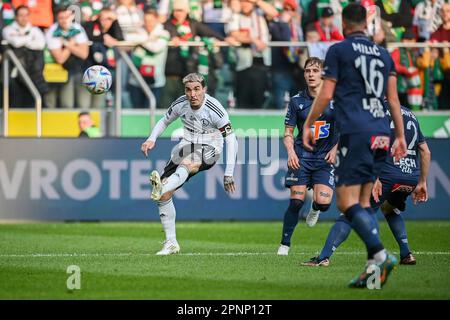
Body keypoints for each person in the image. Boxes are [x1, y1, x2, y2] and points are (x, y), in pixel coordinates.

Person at [302, 4, 407, 288]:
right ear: (367, 23)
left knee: (346, 203)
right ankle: (373, 278)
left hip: (357, 132)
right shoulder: (384, 54)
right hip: (382, 131)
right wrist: (400, 135)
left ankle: (381, 253)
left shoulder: (339, 50)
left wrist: (308, 122)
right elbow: (393, 101)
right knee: (363, 204)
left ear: (345, 23)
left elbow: (326, 93)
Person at [302, 104, 431, 267]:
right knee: (389, 208)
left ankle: (323, 257)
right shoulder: (409, 114)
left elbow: (373, 144)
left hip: (386, 173)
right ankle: (406, 253)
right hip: (410, 176)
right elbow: (425, 151)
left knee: (350, 211)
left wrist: (375, 177)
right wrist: (422, 181)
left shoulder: (376, 112)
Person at [140, 73, 238, 255]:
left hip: (211, 147)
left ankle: (163, 186)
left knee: (188, 162)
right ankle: (171, 243)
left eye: (197, 89)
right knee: (164, 196)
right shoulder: (180, 104)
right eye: (188, 90)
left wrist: (229, 173)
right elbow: (164, 120)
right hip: (186, 144)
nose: (192, 94)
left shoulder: (215, 109)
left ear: (204, 89)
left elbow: (232, 139)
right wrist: (151, 139)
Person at [277, 57, 338, 256]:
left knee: (324, 203)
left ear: (323, 74)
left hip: (324, 159)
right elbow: (288, 132)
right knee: (296, 201)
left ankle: (315, 208)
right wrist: (291, 152)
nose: (310, 74)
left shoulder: (334, 100)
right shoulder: (297, 101)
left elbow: (345, 130)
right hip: (301, 156)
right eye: (307, 71)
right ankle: (285, 244)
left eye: (315, 70)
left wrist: (335, 148)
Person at [2, 5, 48, 108]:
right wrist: (31, 38)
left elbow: (40, 44)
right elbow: (16, 43)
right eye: (21, 15)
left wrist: (23, 39)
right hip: (15, 72)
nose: (24, 18)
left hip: (33, 69)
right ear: (16, 16)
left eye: (26, 15)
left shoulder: (35, 29)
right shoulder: (8, 29)